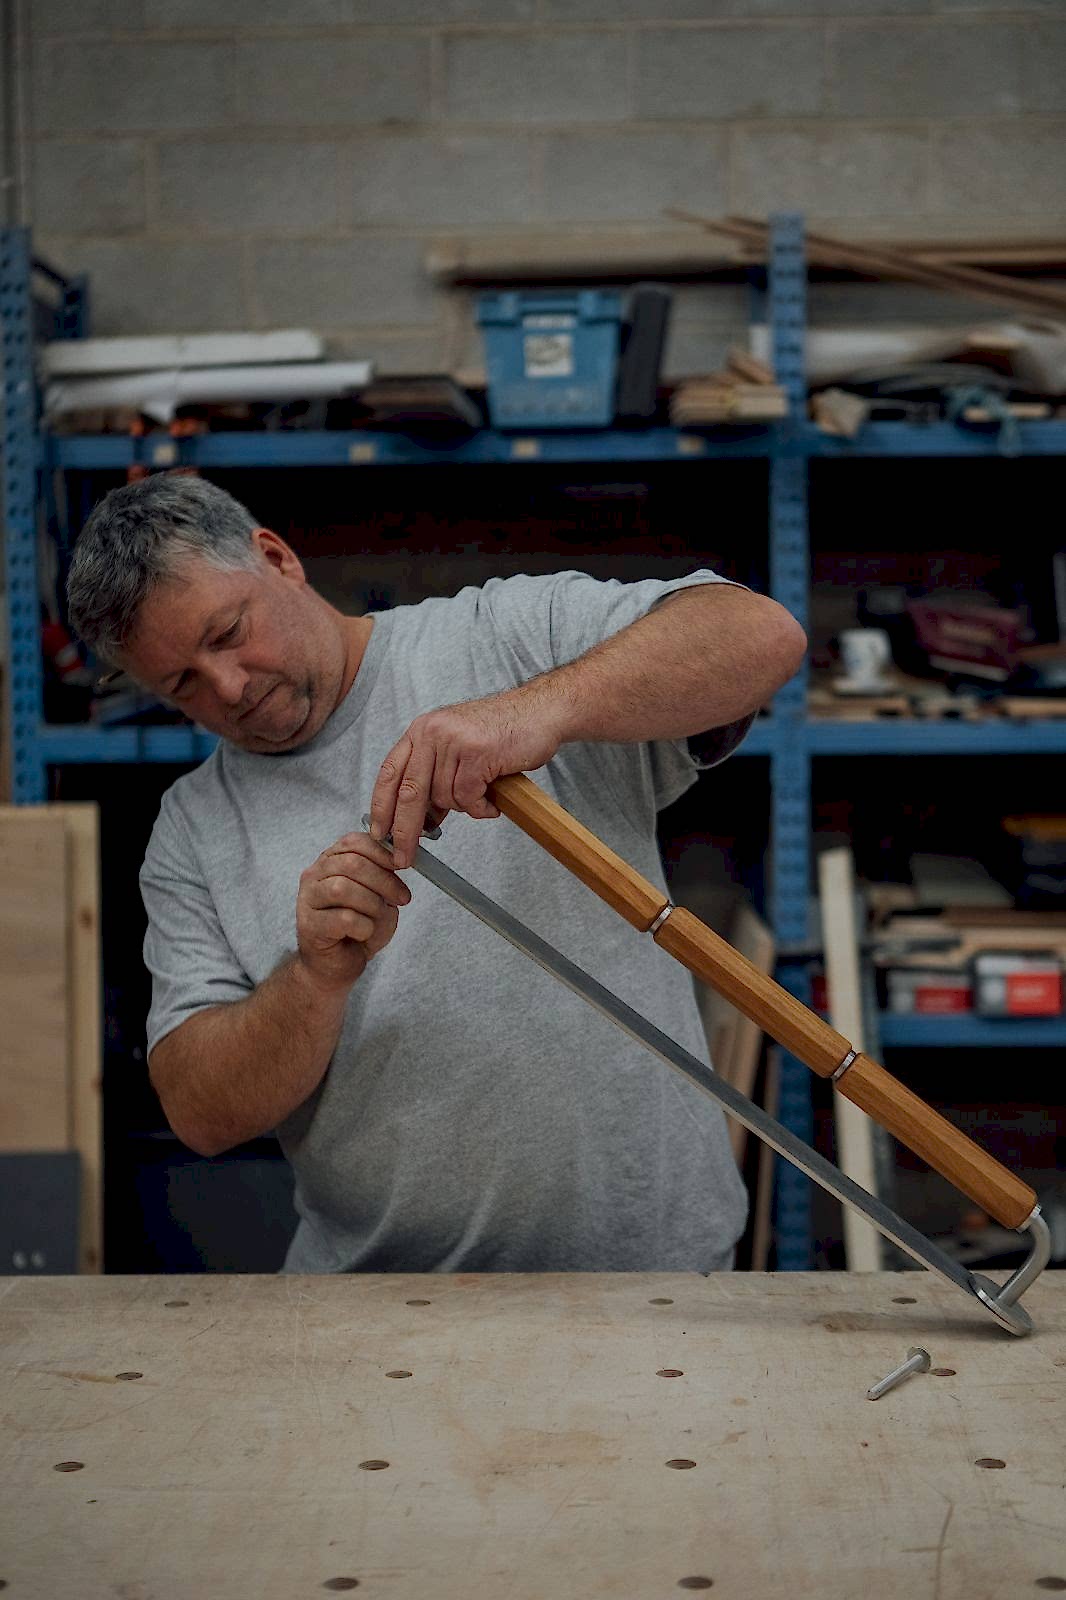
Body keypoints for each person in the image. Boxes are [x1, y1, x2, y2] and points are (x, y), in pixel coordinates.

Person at [66, 473, 806, 1275]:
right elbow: (201, 1112)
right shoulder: (195, 827)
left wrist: (532, 712)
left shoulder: (503, 637)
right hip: (381, 1300)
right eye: (183, 685)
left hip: (653, 1276)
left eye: (227, 633)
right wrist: (312, 979)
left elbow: (759, 636)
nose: (230, 689)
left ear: (276, 559)